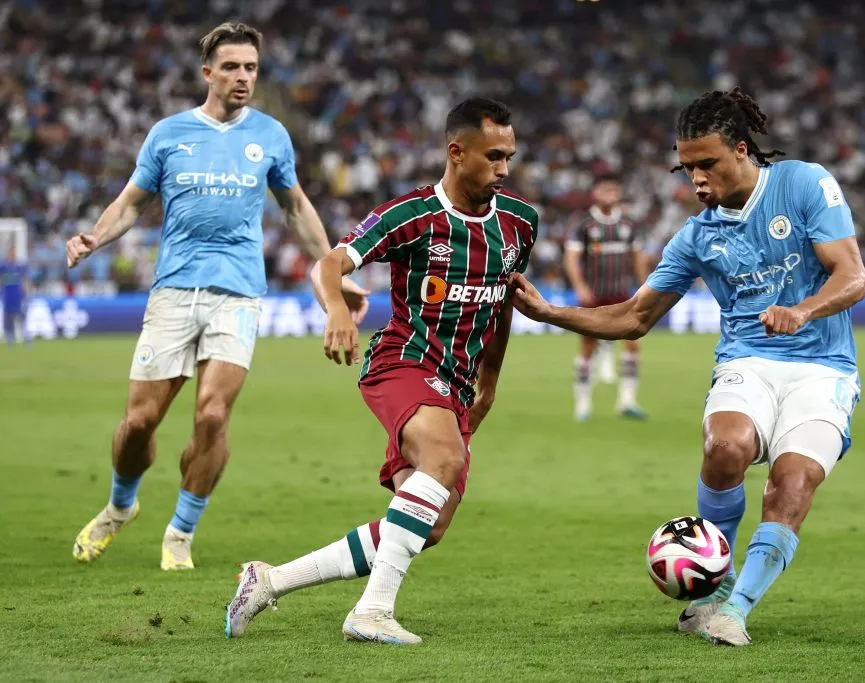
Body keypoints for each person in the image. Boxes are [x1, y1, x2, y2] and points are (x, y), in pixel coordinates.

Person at [510, 88, 865, 646]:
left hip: (824, 368)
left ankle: (736, 610)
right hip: (747, 361)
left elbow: (852, 275)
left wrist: (802, 310)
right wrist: (549, 311)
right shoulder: (696, 237)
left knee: (791, 483)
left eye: (708, 164)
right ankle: (711, 590)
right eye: (687, 168)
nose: (696, 179)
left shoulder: (803, 183)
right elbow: (633, 317)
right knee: (725, 447)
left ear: (742, 151)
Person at [224, 97, 538, 645]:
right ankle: (371, 613)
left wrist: (490, 380)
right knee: (444, 459)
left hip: (459, 384)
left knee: (427, 524)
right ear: (456, 152)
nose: (504, 169)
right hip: (403, 363)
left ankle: (269, 580)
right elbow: (331, 263)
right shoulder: (413, 215)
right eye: (493, 157)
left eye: (509, 156)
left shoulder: (520, 223)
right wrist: (339, 311)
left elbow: (503, 303)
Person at [66, 22, 368, 571]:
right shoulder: (169, 133)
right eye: (231, 67)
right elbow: (132, 203)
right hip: (175, 290)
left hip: (239, 294)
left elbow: (296, 208)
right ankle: (120, 505)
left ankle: (181, 532)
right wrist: (95, 236)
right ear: (208, 73)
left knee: (211, 416)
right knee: (138, 425)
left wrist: (336, 270)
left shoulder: (271, 136)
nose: (243, 77)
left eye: (251, 68)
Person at [563, 173, 648, 421]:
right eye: (605, 190)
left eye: (614, 190)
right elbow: (571, 258)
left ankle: (627, 401)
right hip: (594, 296)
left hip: (622, 295)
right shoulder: (584, 225)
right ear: (595, 193)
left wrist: (644, 286)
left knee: (633, 344)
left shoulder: (629, 225)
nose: (610, 194)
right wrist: (579, 286)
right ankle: (583, 404)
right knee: (588, 346)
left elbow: (637, 257)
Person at [1, 246, 29, 346]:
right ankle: (10, 338)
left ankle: (25, 337)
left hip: (18, 295)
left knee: (21, 316)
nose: (12, 254)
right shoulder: (3, 266)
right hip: (7, 295)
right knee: (8, 318)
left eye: (13, 252)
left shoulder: (19, 266)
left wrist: (25, 293)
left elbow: (24, 280)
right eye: (10, 252)